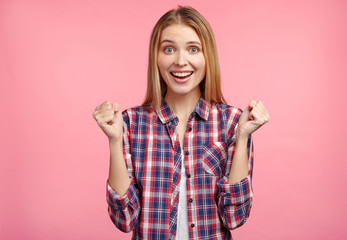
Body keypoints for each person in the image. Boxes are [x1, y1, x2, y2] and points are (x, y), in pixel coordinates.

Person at [93, 6, 269, 240]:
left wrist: (243, 135)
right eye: (168, 49)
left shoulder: (233, 123)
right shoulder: (131, 123)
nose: (180, 61)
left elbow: (235, 217)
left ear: (207, 57)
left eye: (193, 49)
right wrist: (114, 140)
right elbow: (124, 219)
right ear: (156, 57)